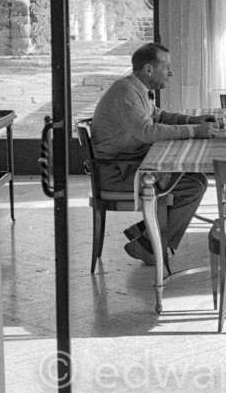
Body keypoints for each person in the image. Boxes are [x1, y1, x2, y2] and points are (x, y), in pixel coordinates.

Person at [91, 42, 217, 266]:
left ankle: (148, 232)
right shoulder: (125, 92)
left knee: (196, 179)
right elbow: (148, 132)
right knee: (193, 186)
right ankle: (149, 245)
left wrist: (191, 120)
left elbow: (157, 115)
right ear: (149, 69)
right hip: (117, 173)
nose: (170, 72)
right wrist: (193, 131)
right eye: (166, 66)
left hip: (129, 165)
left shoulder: (134, 88)